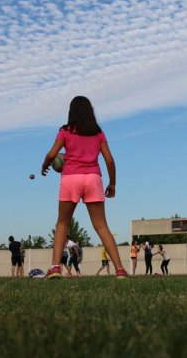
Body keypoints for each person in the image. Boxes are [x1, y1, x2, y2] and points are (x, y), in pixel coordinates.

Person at [41, 96, 127, 279]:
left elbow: (51, 154)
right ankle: (120, 270)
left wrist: (45, 165)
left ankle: (56, 268)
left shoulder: (65, 131)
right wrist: (112, 184)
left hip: (71, 178)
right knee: (102, 226)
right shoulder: (98, 133)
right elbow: (110, 161)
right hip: (93, 178)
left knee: (62, 224)